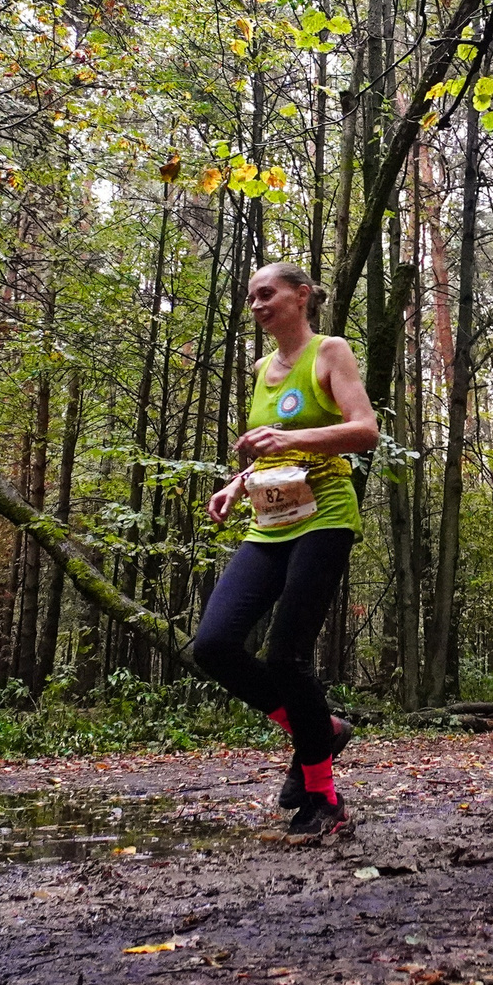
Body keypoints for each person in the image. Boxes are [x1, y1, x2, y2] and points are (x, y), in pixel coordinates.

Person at [198, 263, 381, 842]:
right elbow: (265, 447)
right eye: (250, 296)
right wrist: (236, 481)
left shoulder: (331, 352)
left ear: (301, 297)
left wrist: (292, 439)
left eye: (267, 293)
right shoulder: (260, 369)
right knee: (214, 645)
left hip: (325, 515)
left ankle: (324, 798)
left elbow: (365, 429)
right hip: (270, 520)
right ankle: (318, 729)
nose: (255, 304)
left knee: (286, 658)